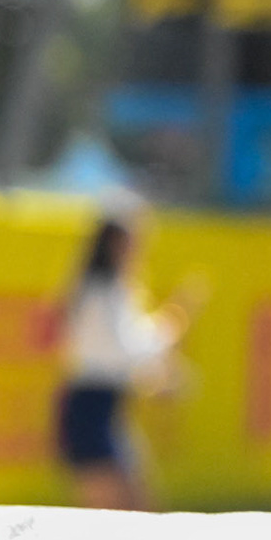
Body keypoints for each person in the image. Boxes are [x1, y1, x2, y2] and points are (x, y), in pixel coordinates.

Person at [54, 215, 184, 512]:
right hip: (89, 411)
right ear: (114, 244)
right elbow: (121, 353)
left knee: (141, 510)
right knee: (107, 519)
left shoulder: (116, 290)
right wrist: (166, 331)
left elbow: (129, 354)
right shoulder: (98, 291)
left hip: (110, 410)